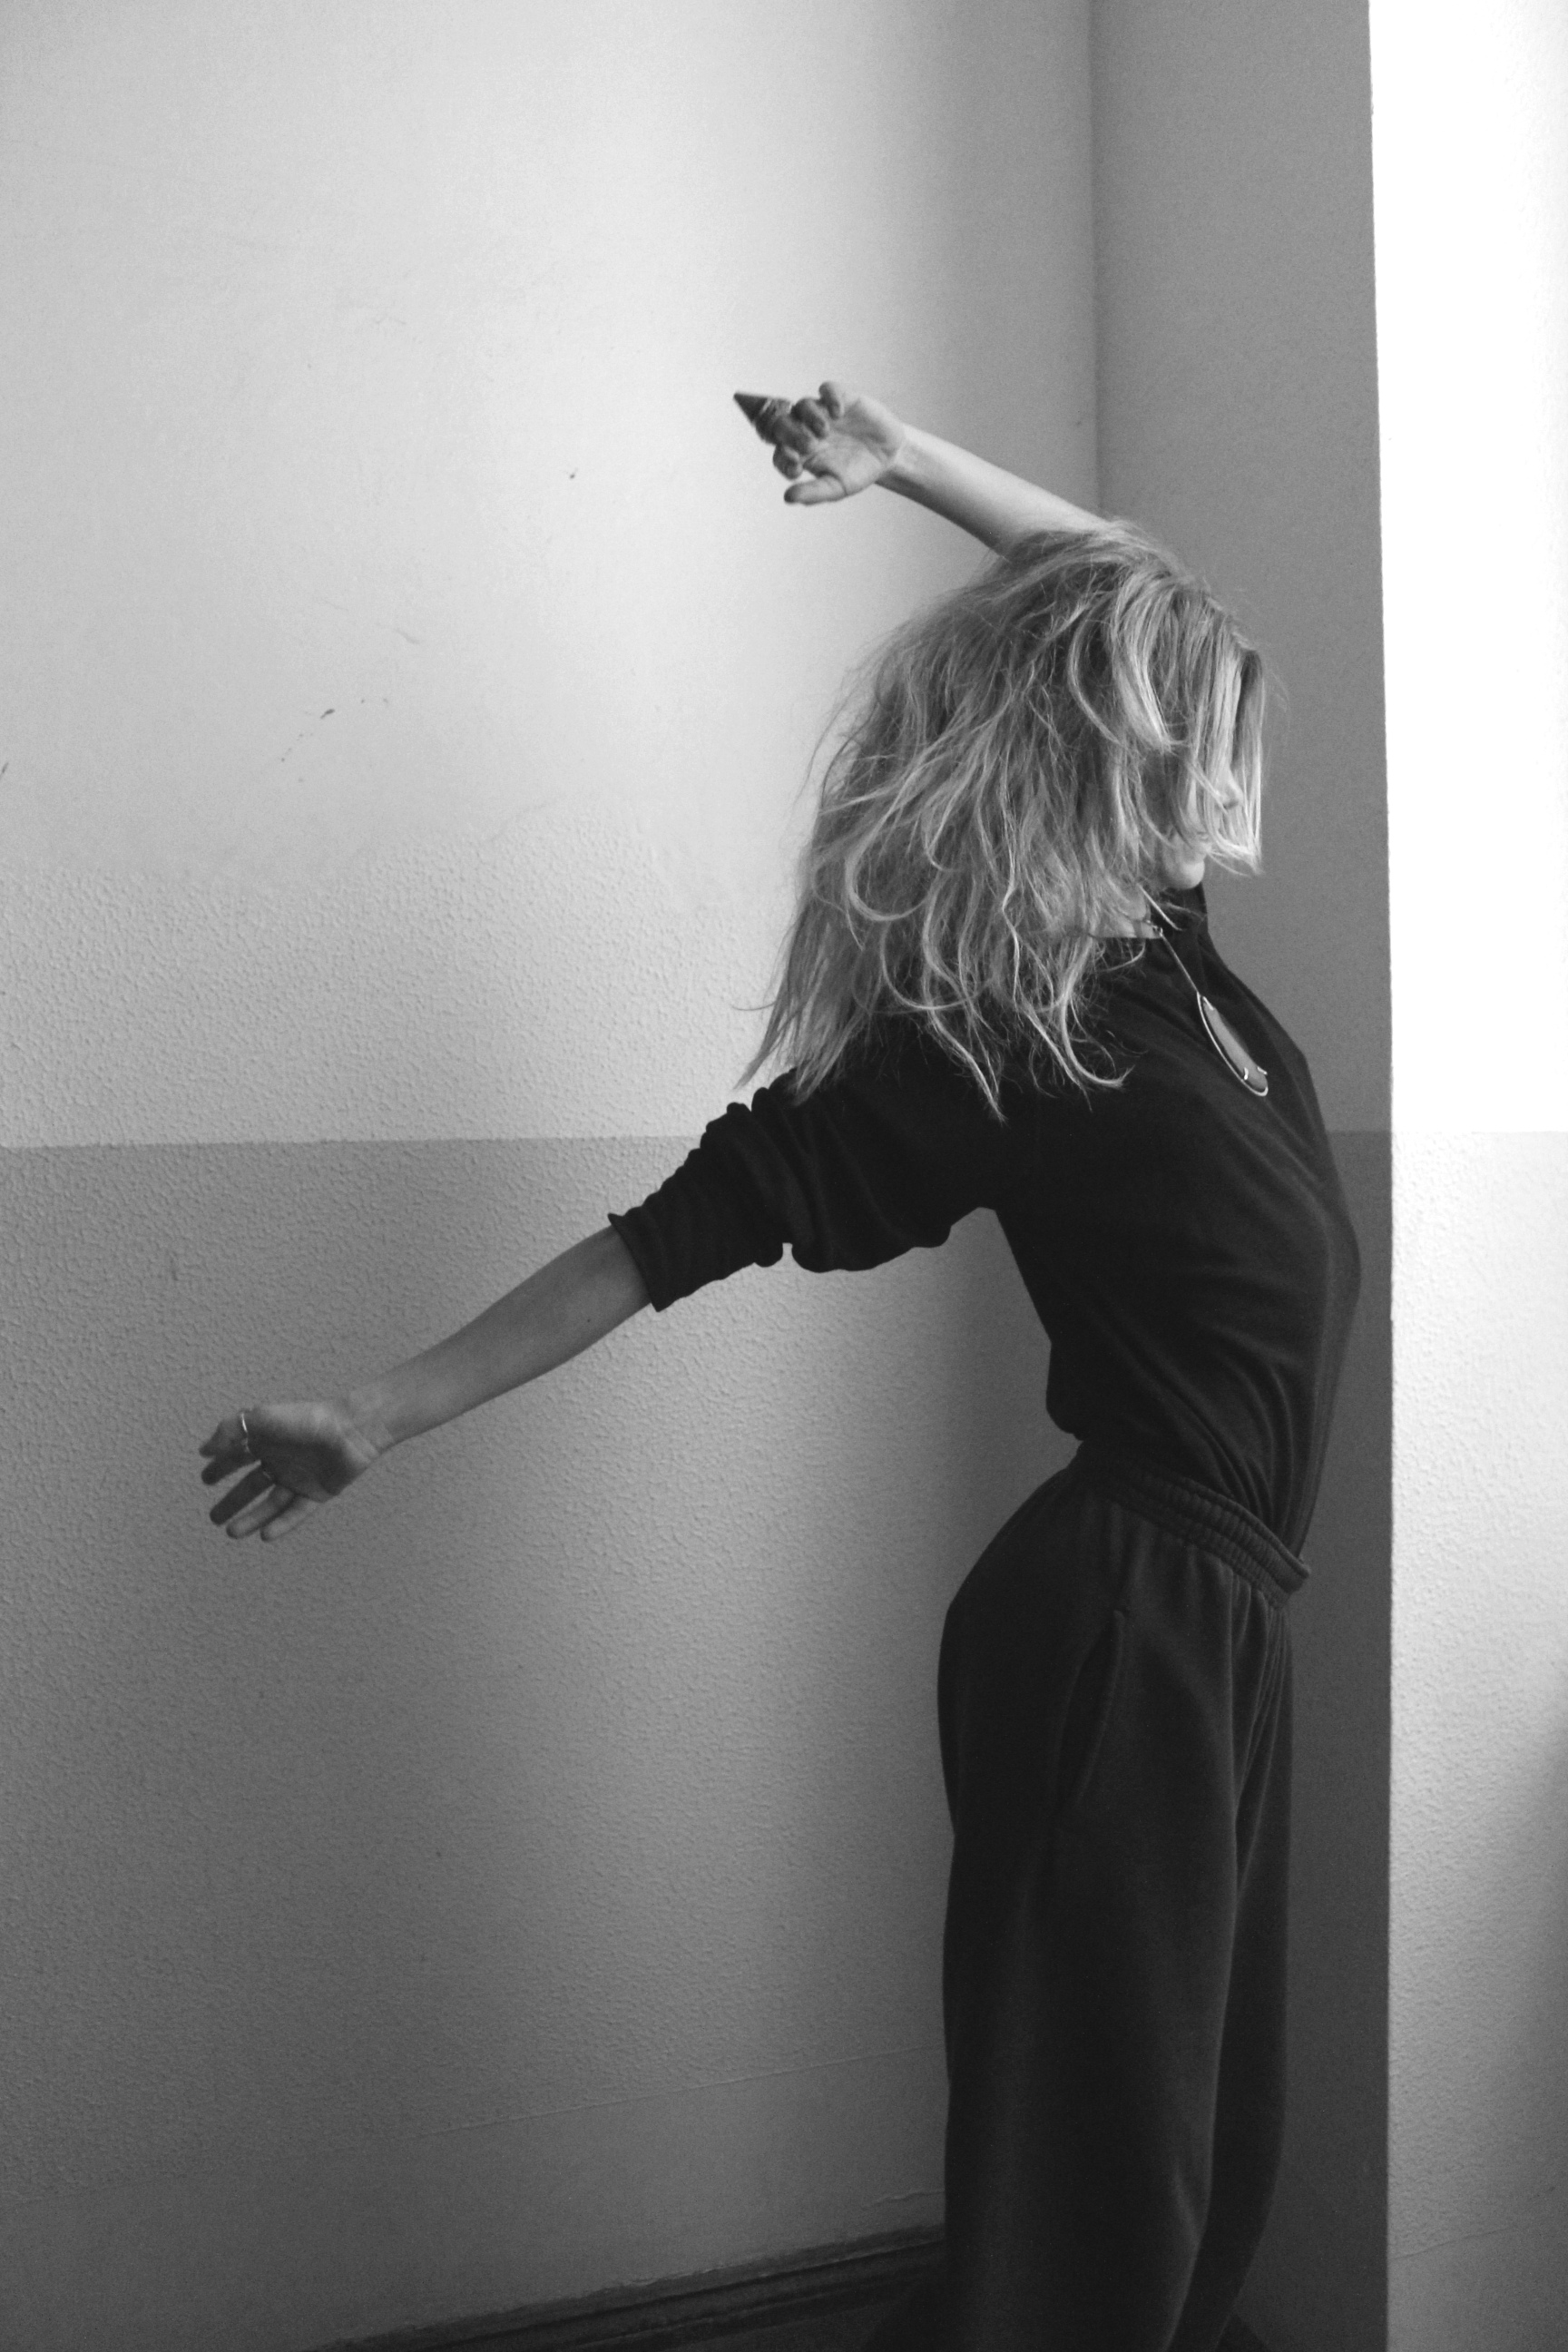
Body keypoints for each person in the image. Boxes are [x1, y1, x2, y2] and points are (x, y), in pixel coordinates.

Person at [201, 383, 1360, 2352]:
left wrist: (904, 464)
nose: (1238, 740)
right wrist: (379, 1411)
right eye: (1196, 714)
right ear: (1110, 747)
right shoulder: (1007, 1032)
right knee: (1100, 2183)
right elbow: (678, 1232)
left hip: (1223, 1620)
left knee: (1207, 2155)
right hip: (1124, 1620)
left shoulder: (1179, 963)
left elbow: (1109, 583)